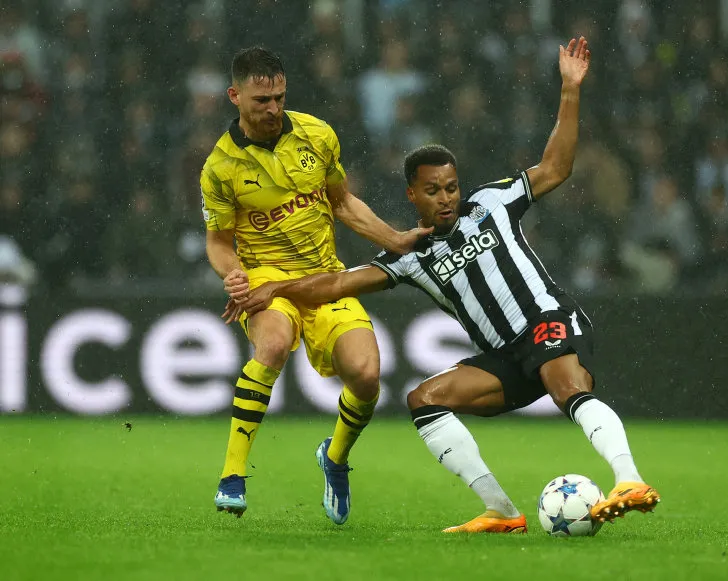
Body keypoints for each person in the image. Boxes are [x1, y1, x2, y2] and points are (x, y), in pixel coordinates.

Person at [230, 38, 660, 533]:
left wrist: (569, 90)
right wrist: (277, 290)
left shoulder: (493, 203)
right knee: (423, 399)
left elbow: (556, 168)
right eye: (433, 191)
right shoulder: (412, 257)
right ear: (412, 195)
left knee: (566, 388)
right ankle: (502, 512)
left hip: (546, 322)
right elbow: (336, 284)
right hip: (505, 357)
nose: (446, 198)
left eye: (452, 187)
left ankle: (629, 480)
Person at [201, 47, 430, 524]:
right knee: (273, 344)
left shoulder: (317, 134)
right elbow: (219, 242)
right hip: (266, 277)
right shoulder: (219, 167)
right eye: (261, 100)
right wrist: (232, 273)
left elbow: (341, 202)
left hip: (325, 275)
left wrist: (394, 239)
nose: (273, 109)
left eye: (279, 98)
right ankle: (232, 473)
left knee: (366, 376)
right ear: (234, 96)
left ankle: (335, 457)